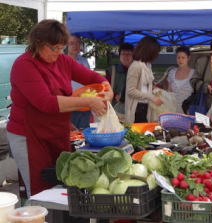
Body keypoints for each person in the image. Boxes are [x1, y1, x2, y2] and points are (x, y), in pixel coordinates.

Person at [6, 19, 113, 197]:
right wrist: (88, 102)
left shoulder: (63, 60)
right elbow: (46, 102)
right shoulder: (24, 65)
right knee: (40, 193)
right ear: (38, 43)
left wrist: (107, 90)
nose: (58, 52)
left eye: (61, 47)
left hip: (56, 133)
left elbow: (93, 77)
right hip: (28, 137)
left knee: (60, 188)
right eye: (54, 48)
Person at [124, 36, 163, 123]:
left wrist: (153, 89)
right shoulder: (136, 66)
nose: (156, 55)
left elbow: (143, 86)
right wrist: (151, 97)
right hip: (137, 107)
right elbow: (131, 90)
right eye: (155, 52)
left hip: (145, 105)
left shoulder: (147, 65)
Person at [67, 35, 92, 129]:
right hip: (69, 103)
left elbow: (90, 80)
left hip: (84, 103)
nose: (75, 46)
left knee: (84, 131)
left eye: (77, 43)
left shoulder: (84, 61)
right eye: (72, 43)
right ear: (66, 45)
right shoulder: (60, 61)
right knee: (71, 134)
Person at [166, 46, 194, 113]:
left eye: (183, 58)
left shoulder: (194, 74)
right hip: (173, 111)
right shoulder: (172, 72)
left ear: (188, 58)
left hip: (188, 112)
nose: (180, 60)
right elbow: (169, 92)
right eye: (178, 58)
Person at [105, 43, 134, 108]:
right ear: (119, 56)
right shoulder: (112, 71)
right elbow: (104, 87)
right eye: (123, 54)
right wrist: (115, 95)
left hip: (133, 109)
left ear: (133, 56)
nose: (126, 56)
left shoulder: (138, 71)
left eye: (128, 54)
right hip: (114, 108)